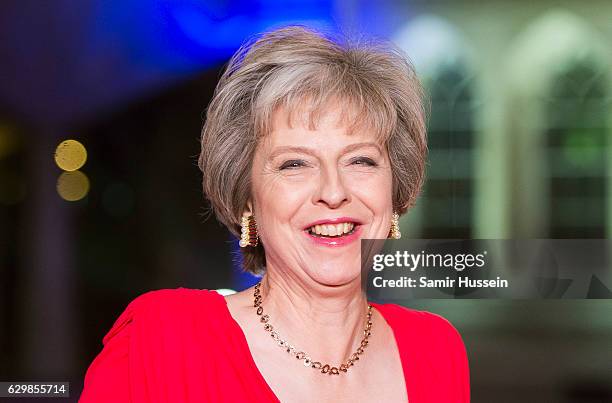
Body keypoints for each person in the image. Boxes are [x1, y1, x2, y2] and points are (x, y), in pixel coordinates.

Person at [79, 25, 469, 403]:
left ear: (395, 187)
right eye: (294, 164)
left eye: (361, 161)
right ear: (247, 197)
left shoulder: (435, 350)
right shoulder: (161, 345)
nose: (333, 192)